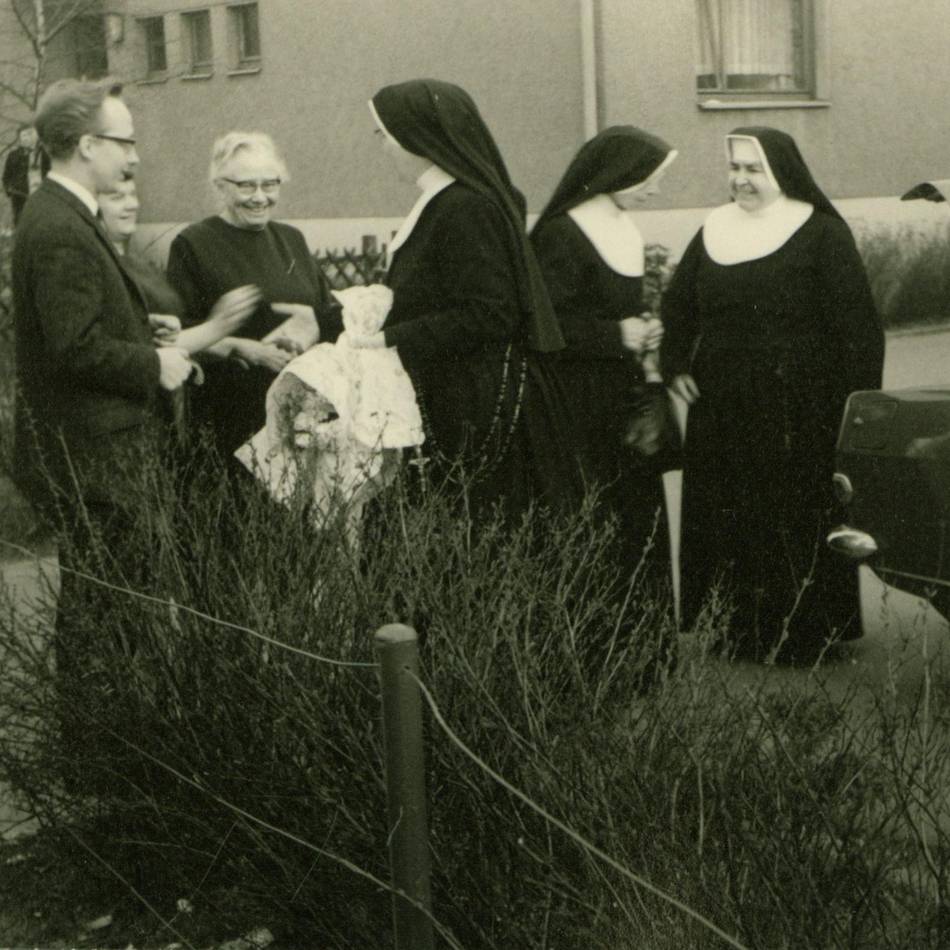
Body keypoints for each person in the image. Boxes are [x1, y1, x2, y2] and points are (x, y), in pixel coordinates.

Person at [12, 78, 193, 780]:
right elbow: (75, 348)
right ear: (86, 146)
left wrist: (136, 326)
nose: (134, 157)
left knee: (107, 596)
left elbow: (78, 327)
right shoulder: (60, 225)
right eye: (124, 142)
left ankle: (104, 747)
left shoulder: (61, 213)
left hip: (92, 444)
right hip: (96, 449)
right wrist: (155, 363)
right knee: (107, 601)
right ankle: (101, 758)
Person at [659, 126, 884, 663]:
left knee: (790, 512)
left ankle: (807, 634)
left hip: (799, 406)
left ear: (781, 171)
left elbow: (859, 329)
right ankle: (735, 626)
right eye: (735, 168)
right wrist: (674, 363)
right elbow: (679, 305)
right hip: (722, 402)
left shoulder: (821, 232)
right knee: (728, 511)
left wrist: (854, 410)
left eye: (754, 169)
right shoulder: (714, 226)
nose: (741, 180)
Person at [353, 79, 583, 520]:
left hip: (474, 408)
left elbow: (489, 313)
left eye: (384, 134)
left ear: (414, 138)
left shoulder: (463, 207)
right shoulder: (448, 202)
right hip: (458, 398)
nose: (381, 145)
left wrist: (389, 337)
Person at [531, 125, 678, 580]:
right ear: (619, 174)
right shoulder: (561, 233)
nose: (655, 190)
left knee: (637, 518)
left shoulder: (622, 223)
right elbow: (542, 326)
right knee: (597, 518)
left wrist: (647, 331)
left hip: (623, 396)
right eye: (648, 179)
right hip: (578, 403)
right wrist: (617, 335)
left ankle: (642, 645)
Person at [166, 132, 342, 466]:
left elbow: (322, 311)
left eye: (270, 185)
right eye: (246, 186)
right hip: (231, 416)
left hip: (301, 410)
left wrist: (309, 331)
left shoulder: (291, 240)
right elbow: (175, 336)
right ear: (220, 185)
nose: (259, 197)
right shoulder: (194, 244)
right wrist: (243, 348)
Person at [2, 125, 47, 225]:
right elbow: (6, 174)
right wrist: (9, 189)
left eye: (30, 134)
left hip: (42, 193)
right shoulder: (14, 155)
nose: (27, 137)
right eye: (24, 135)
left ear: (37, 135)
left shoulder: (45, 152)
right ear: (20, 138)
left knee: (42, 221)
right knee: (20, 221)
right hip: (19, 194)